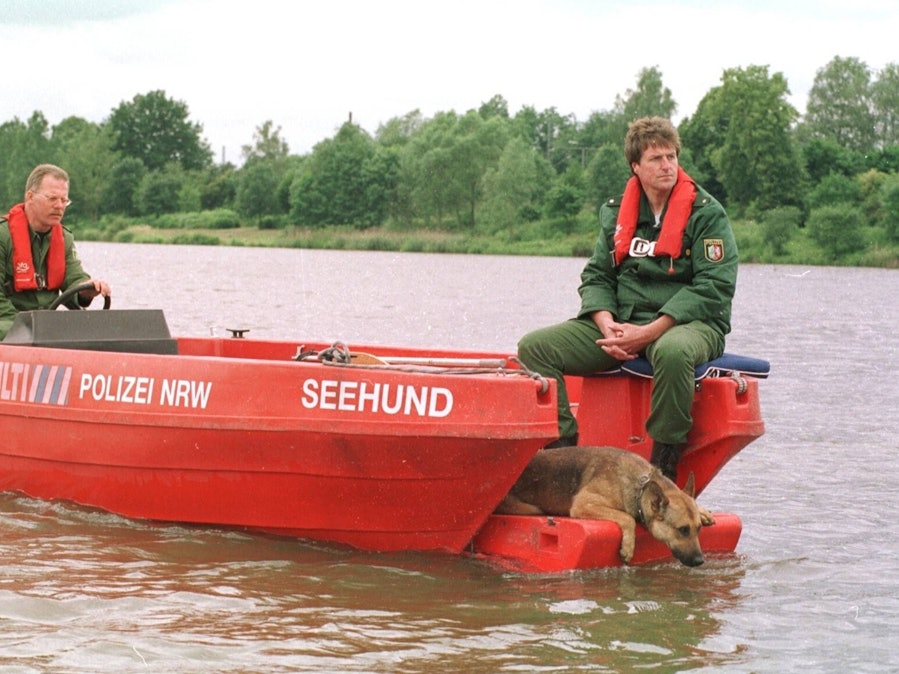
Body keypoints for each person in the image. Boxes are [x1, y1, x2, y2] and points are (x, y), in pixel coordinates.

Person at [518, 116, 738, 480]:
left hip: (689, 324)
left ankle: (662, 469)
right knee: (536, 348)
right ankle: (564, 458)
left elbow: (714, 286)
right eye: (656, 159)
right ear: (636, 166)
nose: (667, 165)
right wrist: (607, 324)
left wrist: (649, 332)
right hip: (623, 320)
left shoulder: (706, 214)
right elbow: (597, 275)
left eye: (672, 157)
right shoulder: (616, 212)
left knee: (673, 352)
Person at [0, 164, 110, 339]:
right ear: (30, 197)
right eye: (52, 198)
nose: (59, 206)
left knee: (98, 330)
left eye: (64, 200)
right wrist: (25, 329)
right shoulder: (2, 235)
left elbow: (75, 278)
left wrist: (86, 290)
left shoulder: (64, 238)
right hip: (7, 320)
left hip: (43, 325)